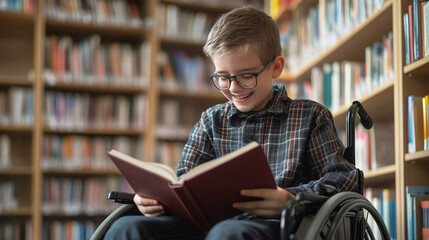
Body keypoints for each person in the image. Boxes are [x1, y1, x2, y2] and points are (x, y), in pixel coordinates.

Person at [104, 6, 358, 240]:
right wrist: (155, 200)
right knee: (127, 227)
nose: (234, 88)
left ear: (276, 67)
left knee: (228, 234)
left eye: (246, 76)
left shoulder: (310, 116)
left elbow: (344, 178)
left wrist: (291, 198)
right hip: (207, 227)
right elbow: (182, 184)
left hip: (280, 226)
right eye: (223, 78)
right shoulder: (211, 121)